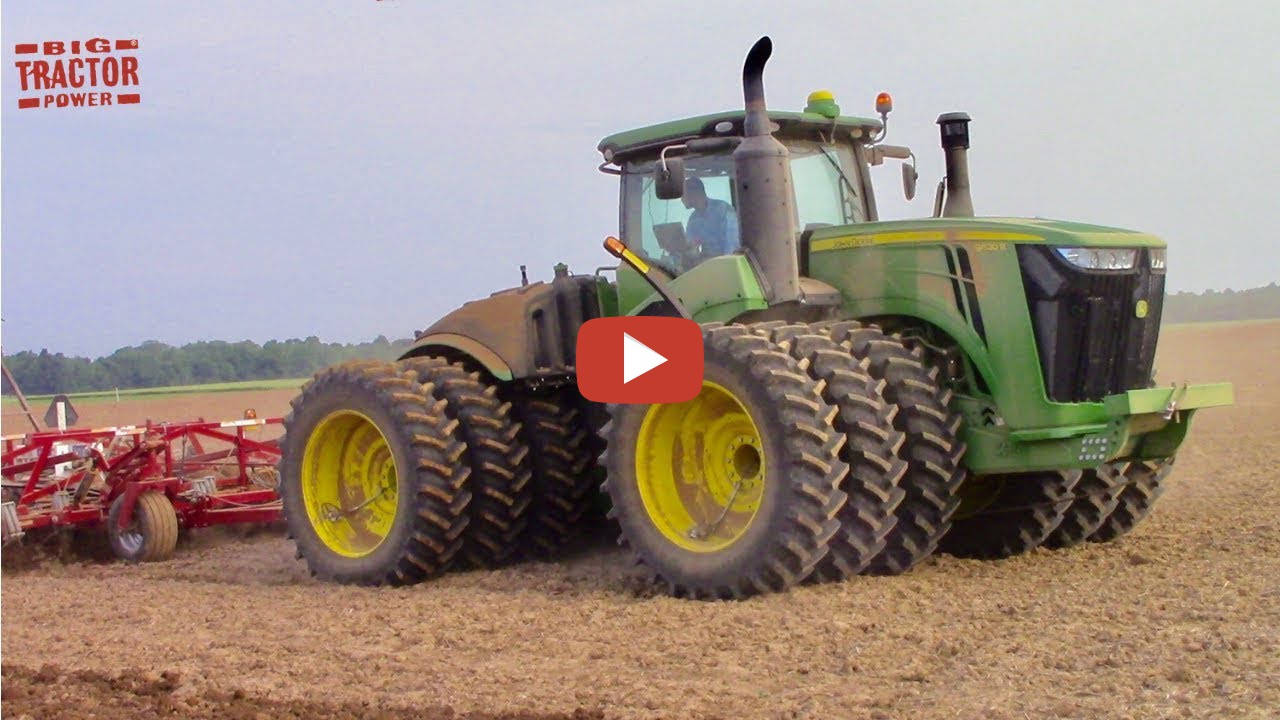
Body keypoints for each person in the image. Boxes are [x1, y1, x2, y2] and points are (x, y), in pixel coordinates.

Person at [682, 177, 740, 261]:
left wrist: (725, 264)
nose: (681, 199)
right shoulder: (693, 219)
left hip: (726, 264)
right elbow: (690, 246)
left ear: (695, 193)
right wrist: (679, 248)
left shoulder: (723, 210)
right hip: (706, 264)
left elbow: (732, 244)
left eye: (683, 195)